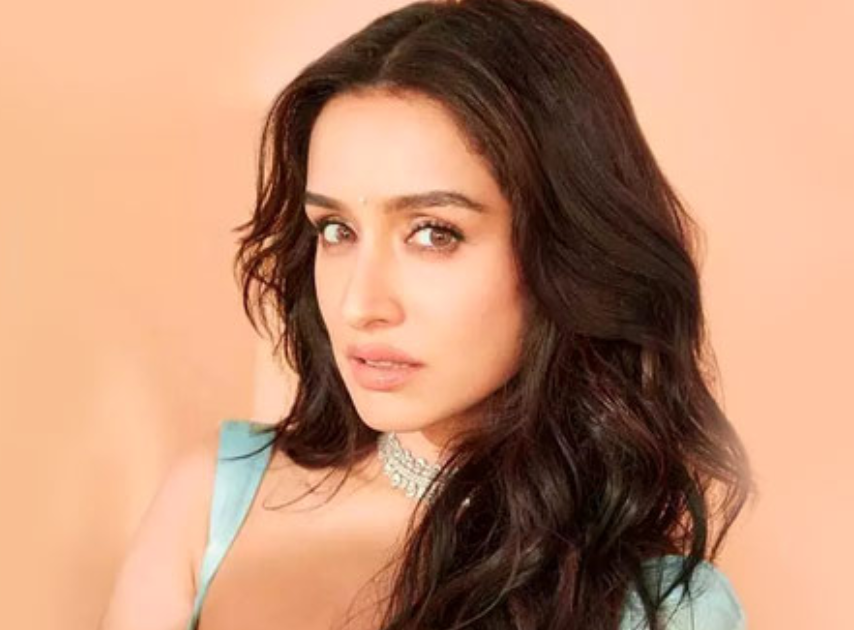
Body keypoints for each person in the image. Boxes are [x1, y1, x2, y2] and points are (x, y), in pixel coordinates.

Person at [100, 0, 755, 628]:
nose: (359, 305)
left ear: (565, 251)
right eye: (335, 230)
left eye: (434, 233)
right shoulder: (211, 503)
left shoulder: (660, 610)